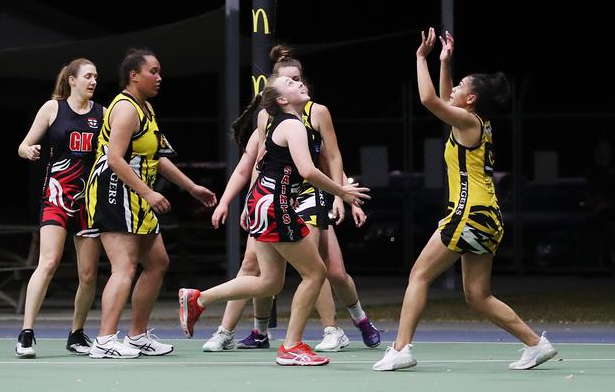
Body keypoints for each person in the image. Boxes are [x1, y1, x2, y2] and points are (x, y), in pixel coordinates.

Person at [373, 28, 558, 372]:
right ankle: (536, 344)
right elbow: (444, 100)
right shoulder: (475, 123)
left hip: (468, 213)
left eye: (461, 86)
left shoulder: (468, 122)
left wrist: (419, 59)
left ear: (471, 100)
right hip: (488, 215)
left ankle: (400, 349)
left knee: (419, 276)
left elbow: (431, 101)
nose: (455, 87)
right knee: (477, 295)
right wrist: (444, 63)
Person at [179, 74, 370, 366]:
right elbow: (307, 170)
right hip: (274, 206)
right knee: (315, 273)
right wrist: (340, 190)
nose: (298, 83)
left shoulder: (276, 123)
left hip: (261, 202)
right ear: (282, 100)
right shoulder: (293, 125)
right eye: (290, 84)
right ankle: (291, 346)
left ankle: (198, 299)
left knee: (268, 282)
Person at [85, 48, 217, 359]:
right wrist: (148, 193)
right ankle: (104, 340)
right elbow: (114, 158)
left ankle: (137, 336)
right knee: (124, 267)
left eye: (159, 72)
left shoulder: (146, 110)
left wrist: (192, 187)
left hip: (136, 192)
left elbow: (156, 157)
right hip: (115, 191)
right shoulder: (126, 108)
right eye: (153, 71)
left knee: (157, 263)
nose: (159, 78)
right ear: (133, 75)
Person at [16, 58, 104, 358]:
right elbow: (23, 145)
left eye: (95, 77)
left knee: (89, 275)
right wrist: (28, 150)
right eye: (88, 76)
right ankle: (26, 333)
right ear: (72, 80)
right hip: (56, 195)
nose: (93, 81)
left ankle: (77, 333)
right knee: (49, 262)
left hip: (88, 203)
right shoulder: (52, 109)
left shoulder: (103, 114)